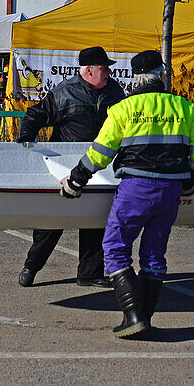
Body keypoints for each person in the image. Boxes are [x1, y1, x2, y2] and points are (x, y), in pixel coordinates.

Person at [58, 49, 194, 339]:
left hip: (135, 189)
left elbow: (100, 153)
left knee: (115, 249)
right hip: (170, 191)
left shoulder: (123, 109)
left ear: (135, 77)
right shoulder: (183, 107)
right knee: (154, 255)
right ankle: (145, 318)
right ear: (161, 75)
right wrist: (189, 178)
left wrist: (76, 180)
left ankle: (133, 315)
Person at [16, 46, 125, 289]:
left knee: (96, 222)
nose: (108, 71)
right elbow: (35, 115)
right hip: (64, 170)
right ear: (88, 70)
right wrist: (27, 137)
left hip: (100, 169)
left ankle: (90, 274)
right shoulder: (65, 93)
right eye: (103, 67)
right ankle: (31, 266)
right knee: (52, 224)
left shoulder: (116, 92)